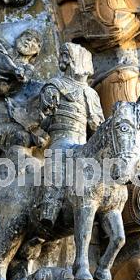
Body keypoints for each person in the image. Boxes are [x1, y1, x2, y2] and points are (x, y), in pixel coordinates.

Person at [38, 42, 105, 227]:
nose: (63, 60)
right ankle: (48, 208)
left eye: (65, 56)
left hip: (82, 142)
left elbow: (97, 124)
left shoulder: (91, 94)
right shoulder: (54, 86)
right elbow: (44, 117)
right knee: (56, 164)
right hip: (61, 138)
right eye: (62, 56)